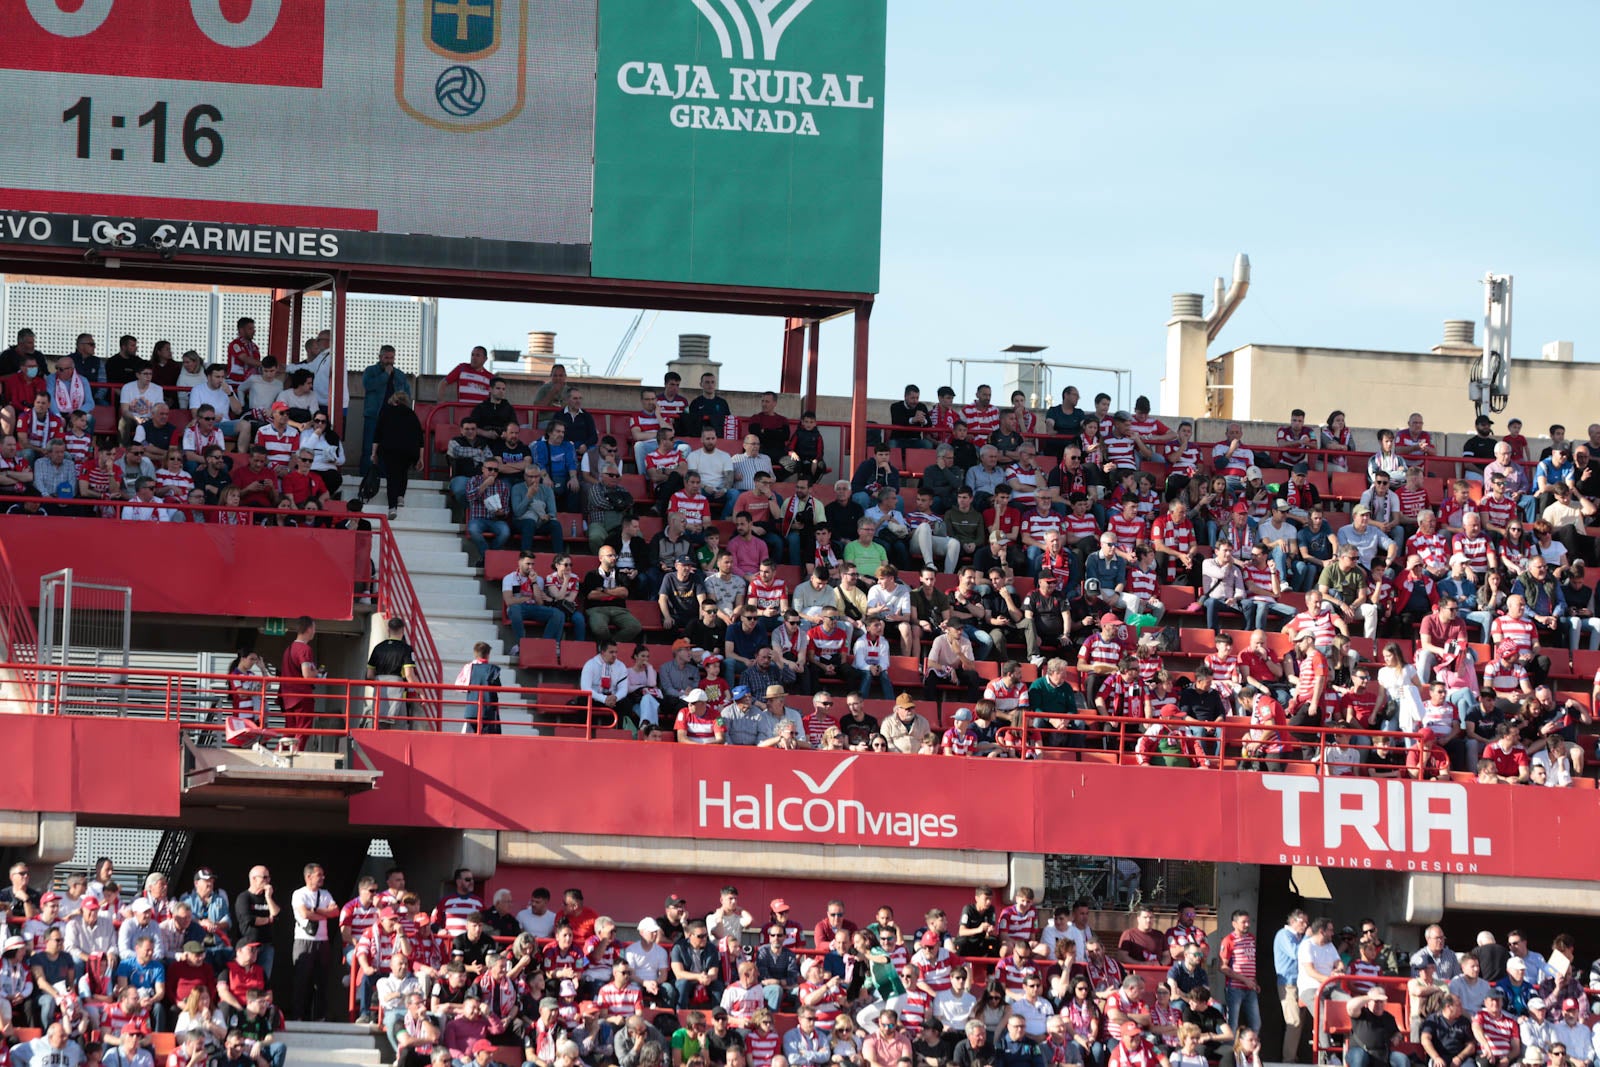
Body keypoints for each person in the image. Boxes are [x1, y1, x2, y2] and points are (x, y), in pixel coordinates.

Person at [290, 863, 338, 1022]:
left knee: (321, 981)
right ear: (308, 877)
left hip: (323, 942)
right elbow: (304, 913)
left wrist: (316, 911)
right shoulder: (299, 894)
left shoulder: (325, 894)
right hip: (304, 941)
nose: (322, 878)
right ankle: (298, 1016)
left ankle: (319, 1016)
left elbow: (335, 912)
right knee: (302, 980)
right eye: (319, 875)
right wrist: (325, 913)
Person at [371, 391, 423, 519]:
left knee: (391, 477)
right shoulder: (412, 414)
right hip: (408, 451)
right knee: (403, 472)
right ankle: (400, 496)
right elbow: (420, 438)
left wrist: (373, 454)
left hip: (390, 449)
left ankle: (392, 507)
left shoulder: (386, 412)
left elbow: (377, 435)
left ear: (393, 401)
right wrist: (420, 458)